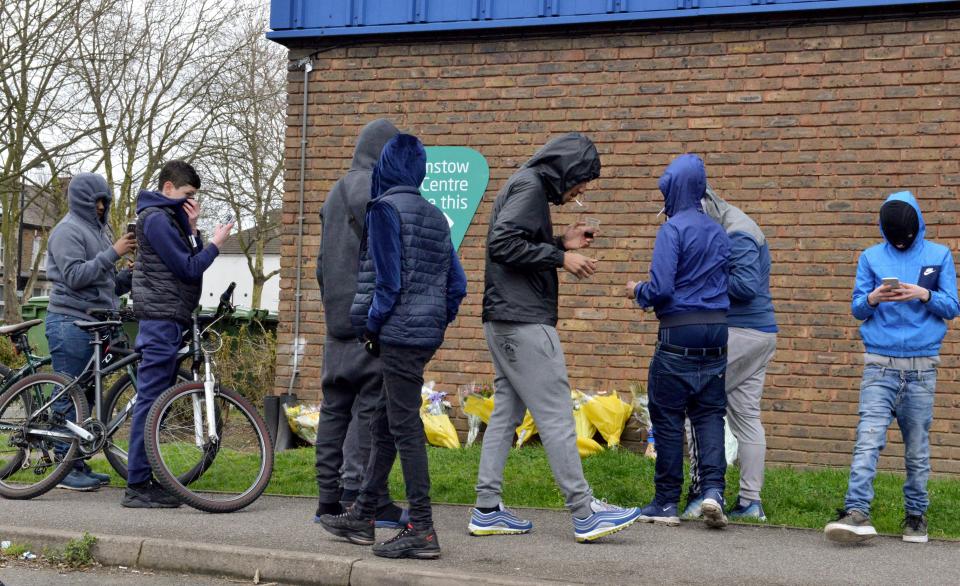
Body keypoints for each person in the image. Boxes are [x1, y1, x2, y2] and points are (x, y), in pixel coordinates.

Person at [469, 132, 641, 543]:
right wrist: (562, 256)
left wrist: (558, 241)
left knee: (506, 415)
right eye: (581, 181)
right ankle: (584, 513)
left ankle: (487, 509)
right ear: (567, 170)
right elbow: (503, 244)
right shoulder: (530, 187)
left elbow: (513, 242)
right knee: (557, 415)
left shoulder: (522, 183)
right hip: (525, 321)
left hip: (503, 318)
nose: (582, 190)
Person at [318, 133, 467, 559]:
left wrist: (372, 327)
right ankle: (364, 516)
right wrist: (437, 320)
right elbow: (458, 284)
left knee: (405, 429)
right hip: (420, 336)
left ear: (386, 167)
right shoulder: (436, 217)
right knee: (384, 422)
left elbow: (388, 282)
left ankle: (423, 528)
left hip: (395, 335)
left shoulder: (383, 210)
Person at [825, 191, 958, 544]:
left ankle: (915, 516)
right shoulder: (870, 257)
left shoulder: (938, 255)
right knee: (867, 440)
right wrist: (872, 298)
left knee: (916, 449)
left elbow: (952, 306)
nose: (901, 243)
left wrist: (923, 294)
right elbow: (857, 308)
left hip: (922, 369)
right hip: (879, 368)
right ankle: (856, 511)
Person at [625, 153, 731, 529]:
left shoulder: (672, 230)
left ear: (672, 189)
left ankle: (666, 502)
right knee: (709, 414)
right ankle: (713, 492)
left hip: (679, 332)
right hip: (718, 331)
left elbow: (662, 288)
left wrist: (638, 290)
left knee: (668, 416)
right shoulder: (718, 230)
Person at [314, 118, 407, 528]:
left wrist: (333, 305)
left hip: (336, 321)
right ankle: (361, 498)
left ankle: (326, 501)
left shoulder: (334, 193)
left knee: (334, 411)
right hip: (368, 320)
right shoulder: (380, 192)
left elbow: (320, 265)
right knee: (371, 411)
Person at [123, 160, 233, 508]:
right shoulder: (155, 219)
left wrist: (193, 227)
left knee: (156, 403)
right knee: (150, 403)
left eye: (194, 198)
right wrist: (215, 243)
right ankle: (137, 486)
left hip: (171, 318)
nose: (190, 202)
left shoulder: (169, 219)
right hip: (160, 319)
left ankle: (145, 479)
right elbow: (189, 267)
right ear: (168, 188)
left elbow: (188, 257)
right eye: (186, 195)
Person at [681, 186, 778, 522]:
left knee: (696, 403)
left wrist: (701, 277)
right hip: (759, 333)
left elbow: (746, 286)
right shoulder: (730, 225)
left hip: (742, 333)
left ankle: (704, 494)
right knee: (745, 417)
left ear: (706, 205)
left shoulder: (738, 232)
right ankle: (750, 503)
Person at [45, 172, 135, 491]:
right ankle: (63, 469)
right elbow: (74, 276)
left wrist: (126, 276)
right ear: (82, 200)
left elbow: (102, 283)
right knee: (69, 394)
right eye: (96, 201)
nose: (101, 206)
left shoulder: (99, 230)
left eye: (104, 201)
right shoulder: (67, 231)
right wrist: (114, 252)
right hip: (70, 321)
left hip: (95, 322)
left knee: (85, 397)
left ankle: (77, 462)